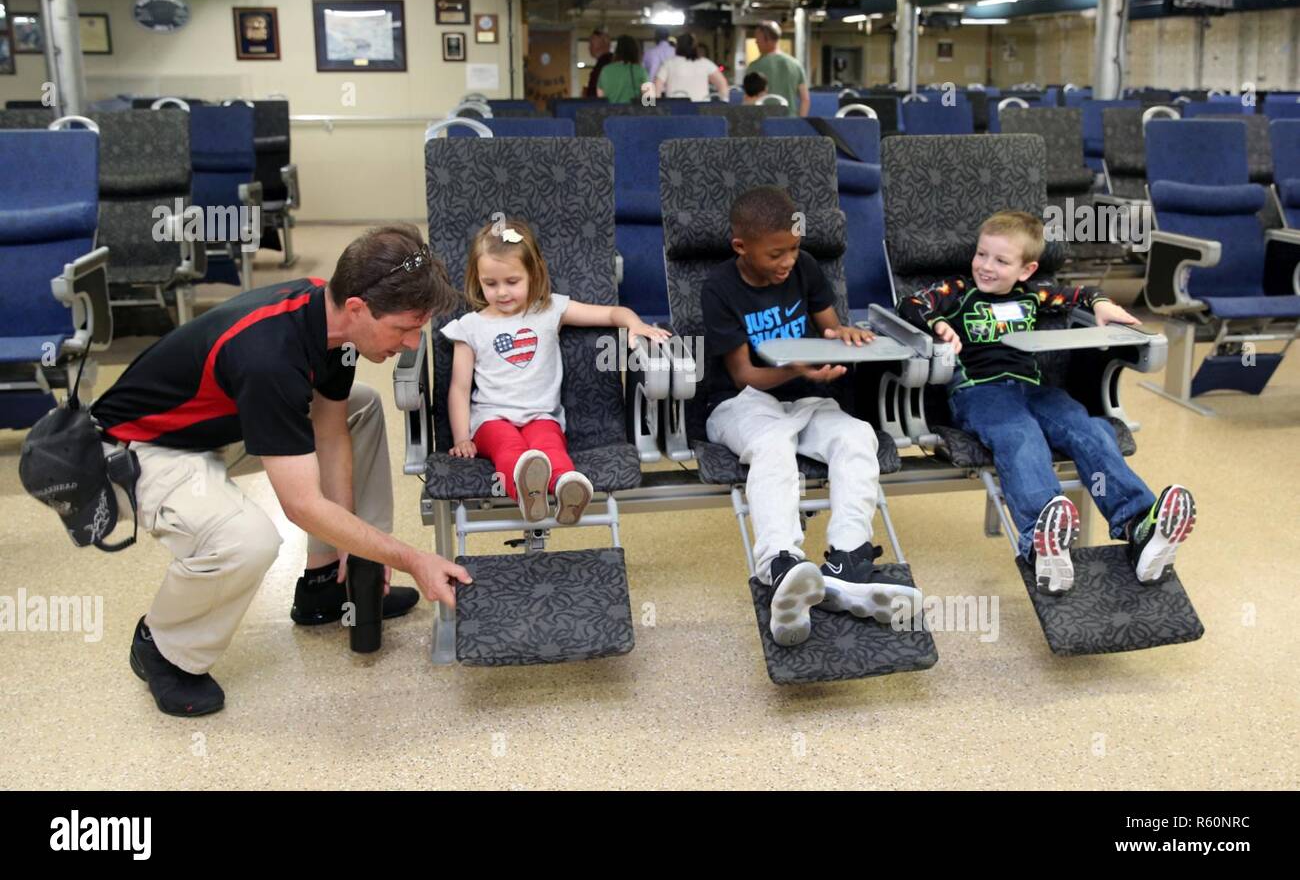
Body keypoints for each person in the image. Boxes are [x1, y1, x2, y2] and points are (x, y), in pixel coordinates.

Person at [90, 224, 472, 716]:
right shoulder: (269, 356)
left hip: (219, 424)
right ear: (357, 308)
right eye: (403, 328)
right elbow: (302, 506)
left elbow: (333, 433)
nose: (413, 343)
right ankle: (162, 646)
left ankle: (325, 587)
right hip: (136, 451)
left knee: (362, 407)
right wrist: (413, 560)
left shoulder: (330, 320)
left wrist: (352, 550)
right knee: (248, 540)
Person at [896, 210, 1196, 594]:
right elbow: (911, 304)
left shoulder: (1033, 295)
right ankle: (1042, 539)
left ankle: (1138, 523)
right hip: (980, 393)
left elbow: (1080, 294)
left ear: (1026, 269)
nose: (986, 266)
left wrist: (1101, 303)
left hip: (1034, 390)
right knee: (1021, 436)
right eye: (981, 254)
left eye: (1001, 261)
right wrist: (938, 325)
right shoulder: (957, 291)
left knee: (1089, 430)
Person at [701, 186, 921, 647]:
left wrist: (844, 337)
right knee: (773, 446)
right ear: (741, 247)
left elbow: (829, 326)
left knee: (858, 436)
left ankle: (847, 560)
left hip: (805, 401)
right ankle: (781, 564)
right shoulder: (719, 287)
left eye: (794, 249)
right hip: (740, 404)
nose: (787, 261)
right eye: (775, 253)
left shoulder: (804, 269)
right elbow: (744, 374)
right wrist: (795, 368)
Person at [443, 218, 669, 524]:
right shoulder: (470, 326)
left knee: (549, 448)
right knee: (510, 449)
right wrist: (461, 437)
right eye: (490, 283)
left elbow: (611, 313)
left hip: (541, 415)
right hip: (490, 419)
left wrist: (635, 323)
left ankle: (566, 487)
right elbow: (459, 388)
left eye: (512, 281)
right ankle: (527, 495)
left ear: (533, 273)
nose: (502, 292)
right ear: (477, 278)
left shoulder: (549, 310)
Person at [747, 21, 809, 117]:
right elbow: (805, 100)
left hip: (763, 123)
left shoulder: (755, 67)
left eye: (758, 39)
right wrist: (799, 124)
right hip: (790, 124)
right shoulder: (796, 65)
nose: (756, 42)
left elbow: (749, 100)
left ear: (768, 39)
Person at [654, 32, 729, 102]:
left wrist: (659, 106)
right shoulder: (706, 63)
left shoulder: (668, 64)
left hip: (674, 108)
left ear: (677, 46)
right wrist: (724, 101)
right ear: (695, 47)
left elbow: (657, 86)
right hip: (702, 109)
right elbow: (722, 84)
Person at [597, 35, 652, 105]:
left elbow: (600, 96)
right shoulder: (640, 71)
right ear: (635, 52)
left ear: (617, 51)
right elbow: (648, 99)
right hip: (632, 114)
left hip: (611, 114)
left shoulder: (605, 70)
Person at [582, 30, 613, 99]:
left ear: (603, 44)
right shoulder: (605, 63)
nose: (589, 48)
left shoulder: (604, 65)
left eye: (592, 44)